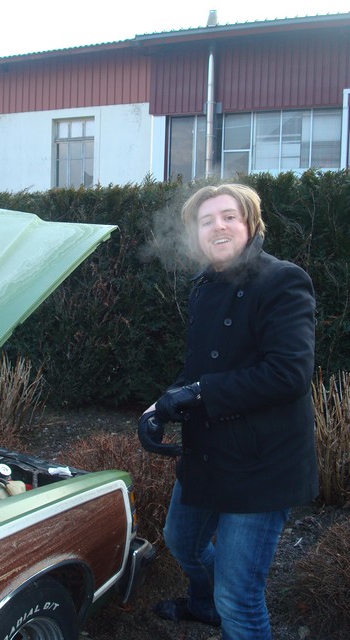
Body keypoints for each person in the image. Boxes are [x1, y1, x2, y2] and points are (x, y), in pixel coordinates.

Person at [138, 183, 318, 640]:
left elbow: (288, 374)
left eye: (229, 217)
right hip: (209, 452)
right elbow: (202, 367)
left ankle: (223, 607)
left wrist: (197, 394)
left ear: (250, 224)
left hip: (262, 463)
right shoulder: (205, 287)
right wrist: (161, 405)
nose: (218, 226)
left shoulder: (283, 280)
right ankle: (205, 606)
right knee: (183, 542)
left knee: (239, 598)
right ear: (195, 235)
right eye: (206, 221)